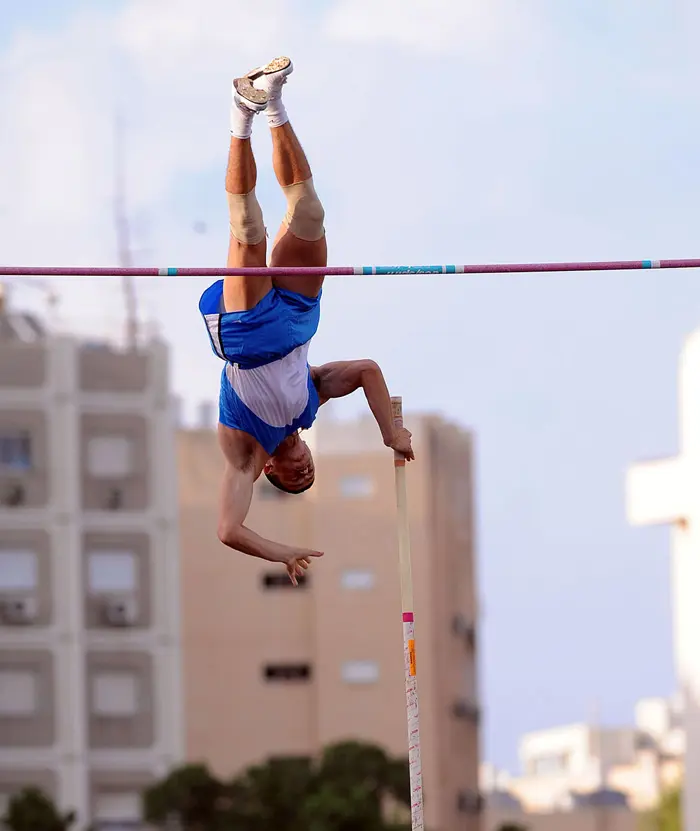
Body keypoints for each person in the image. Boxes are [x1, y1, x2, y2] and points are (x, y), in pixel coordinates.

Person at [199, 57, 414, 585]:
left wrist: (278, 551)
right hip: (296, 320)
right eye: (311, 474)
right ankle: (272, 104)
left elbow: (228, 529)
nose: (306, 470)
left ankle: (239, 115)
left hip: (247, 336)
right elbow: (366, 369)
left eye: (297, 479)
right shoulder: (310, 401)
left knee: (248, 227)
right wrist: (390, 432)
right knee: (310, 212)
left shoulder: (247, 454)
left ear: (274, 470)